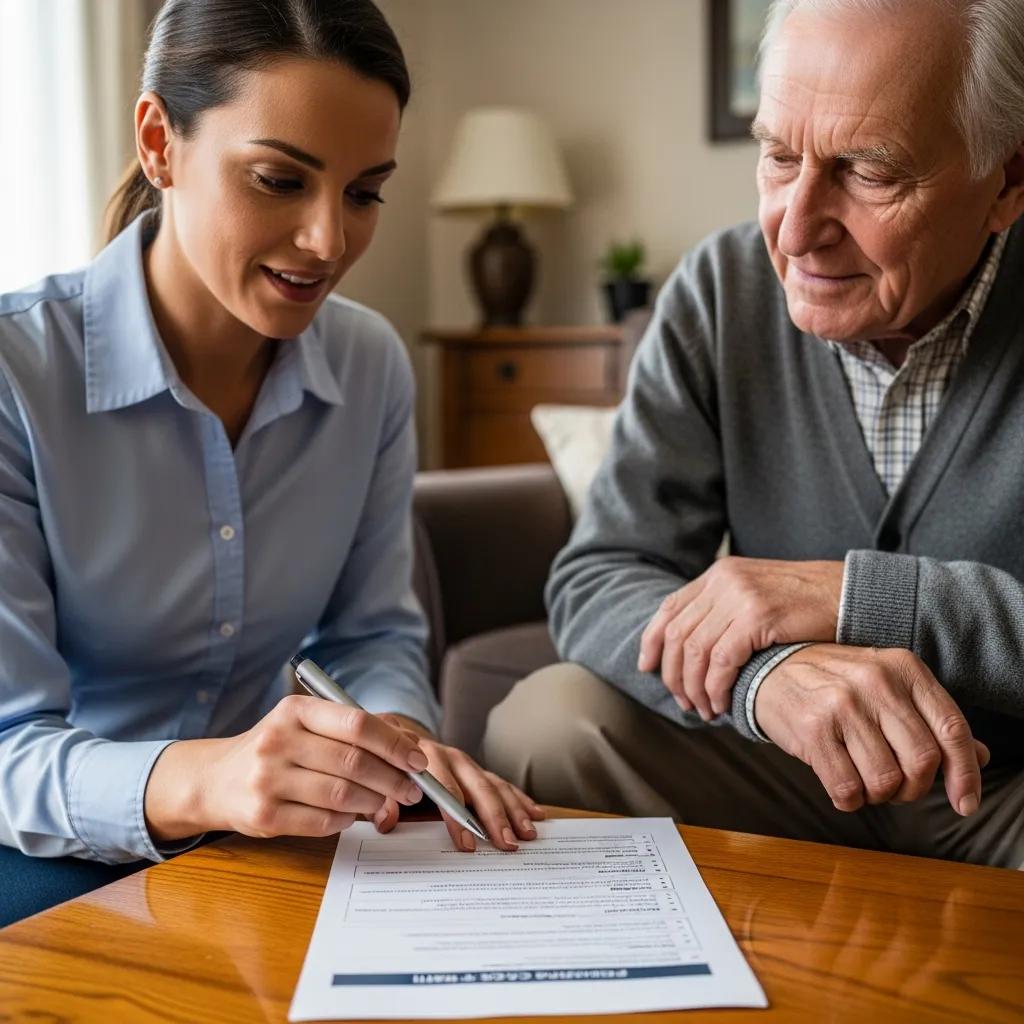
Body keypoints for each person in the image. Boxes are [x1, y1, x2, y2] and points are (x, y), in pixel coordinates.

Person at [0, 0, 542, 928]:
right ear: (159, 141)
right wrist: (206, 781)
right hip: (45, 850)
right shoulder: (18, 375)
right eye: (278, 180)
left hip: (275, 841)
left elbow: (371, 635)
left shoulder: (370, 365)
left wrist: (394, 736)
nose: (331, 241)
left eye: (365, 192)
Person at [483, 0, 1024, 870]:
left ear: (1007, 180)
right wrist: (763, 679)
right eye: (778, 156)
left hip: (1007, 789)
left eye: (870, 172)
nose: (796, 228)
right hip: (785, 768)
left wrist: (859, 601)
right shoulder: (720, 292)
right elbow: (602, 573)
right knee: (548, 723)